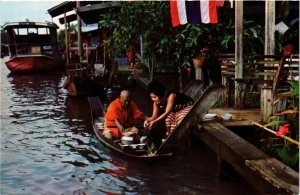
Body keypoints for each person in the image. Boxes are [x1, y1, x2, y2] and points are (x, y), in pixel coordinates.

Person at [144, 80, 194, 148]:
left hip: (186, 108)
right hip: (175, 112)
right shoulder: (155, 103)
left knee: (177, 120)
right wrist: (147, 121)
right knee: (168, 119)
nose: (153, 99)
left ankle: (178, 143)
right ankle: (169, 141)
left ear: (160, 94)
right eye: (152, 97)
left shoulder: (171, 95)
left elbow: (167, 112)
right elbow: (153, 117)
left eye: (155, 97)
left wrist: (154, 122)